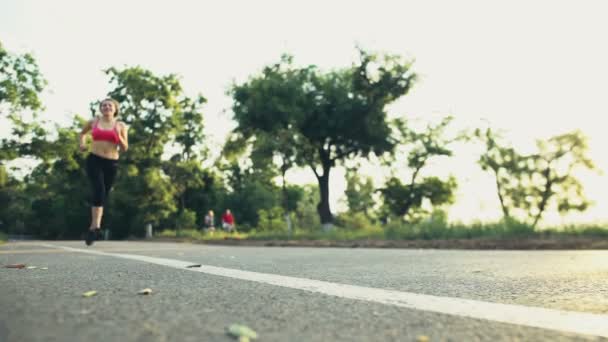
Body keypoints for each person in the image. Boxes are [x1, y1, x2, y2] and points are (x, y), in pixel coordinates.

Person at [78, 98, 129, 246]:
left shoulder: (120, 125)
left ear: (115, 109)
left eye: (110, 105)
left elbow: (125, 148)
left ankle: (93, 229)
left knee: (103, 195)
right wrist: (82, 144)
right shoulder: (94, 122)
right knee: (99, 190)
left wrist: (119, 136)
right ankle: (96, 227)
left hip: (111, 162)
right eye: (104, 105)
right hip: (94, 159)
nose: (107, 107)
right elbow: (82, 134)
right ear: (100, 109)